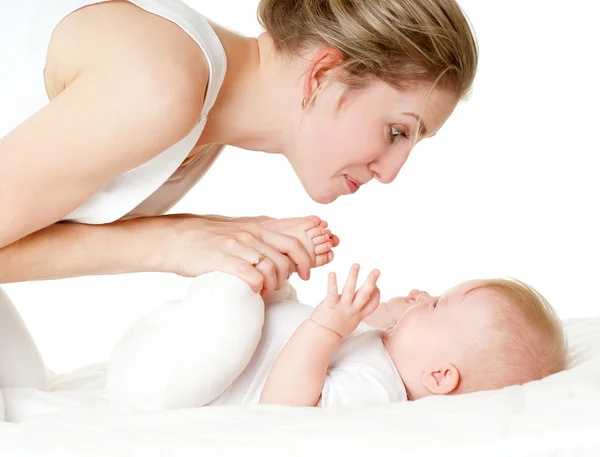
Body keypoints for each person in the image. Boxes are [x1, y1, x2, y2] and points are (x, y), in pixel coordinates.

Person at [0, 0, 478, 396]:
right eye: (397, 131)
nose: (392, 172)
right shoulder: (160, 84)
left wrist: (208, 233)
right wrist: (172, 241)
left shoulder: (201, 113)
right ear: (324, 76)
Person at [105, 221, 566, 410]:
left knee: (243, 307)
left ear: (441, 376)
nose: (425, 297)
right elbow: (378, 323)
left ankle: (231, 282)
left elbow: (284, 403)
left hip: (165, 385)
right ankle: (246, 276)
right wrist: (389, 310)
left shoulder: (377, 391)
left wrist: (327, 326)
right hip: (176, 343)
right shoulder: (387, 344)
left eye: (438, 304)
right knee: (268, 295)